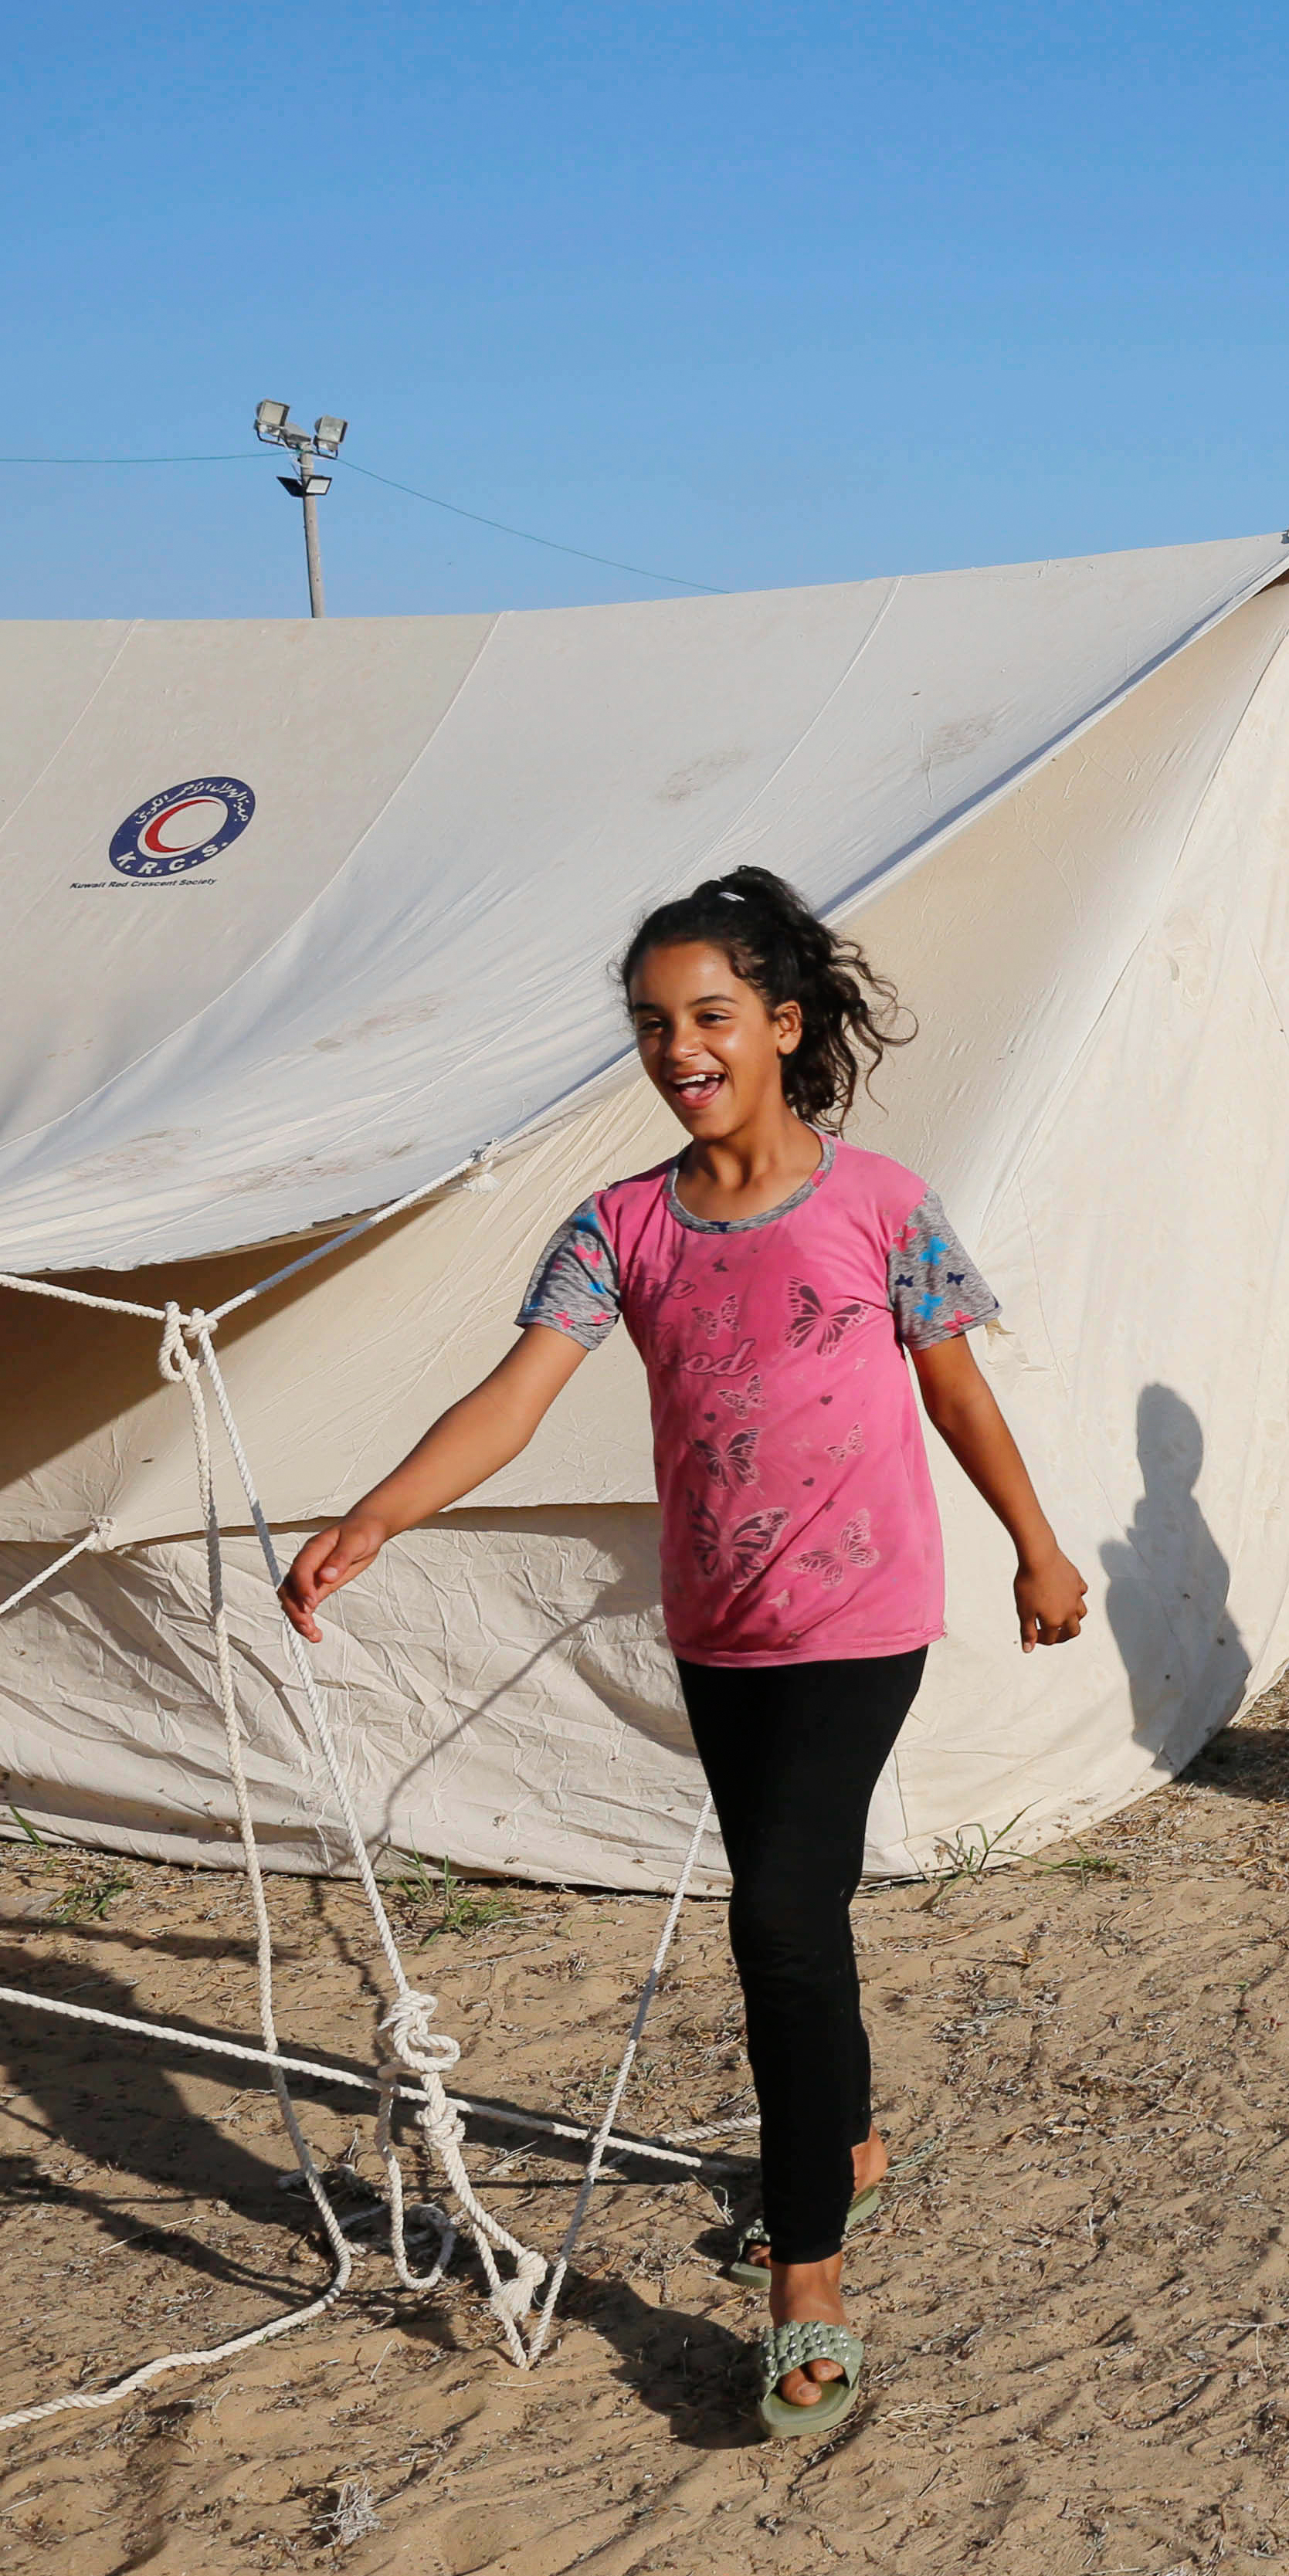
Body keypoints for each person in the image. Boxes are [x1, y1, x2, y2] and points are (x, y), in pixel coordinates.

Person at [277, 867, 1090, 2441]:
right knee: (810, 1911)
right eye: (653, 1026)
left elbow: (958, 1394)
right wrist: (379, 1514)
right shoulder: (623, 1226)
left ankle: (806, 2283)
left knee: (779, 1915)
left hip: (863, 1618)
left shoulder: (880, 1206)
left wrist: (1036, 1547)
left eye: (710, 1017)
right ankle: (840, 2143)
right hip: (718, 1627)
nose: (679, 1048)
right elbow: (515, 1397)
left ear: (783, 1027)